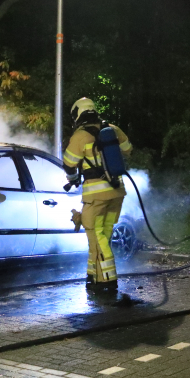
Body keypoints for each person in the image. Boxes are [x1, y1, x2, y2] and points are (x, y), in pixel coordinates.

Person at [63, 97, 132, 292]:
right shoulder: (112, 129)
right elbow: (128, 150)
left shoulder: (80, 136)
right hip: (117, 192)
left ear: (78, 114)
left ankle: (108, 281)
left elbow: (68, 164)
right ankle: (94, 277)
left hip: (96, 197)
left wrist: (73, 177)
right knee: (103, 235)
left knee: (97, 236)